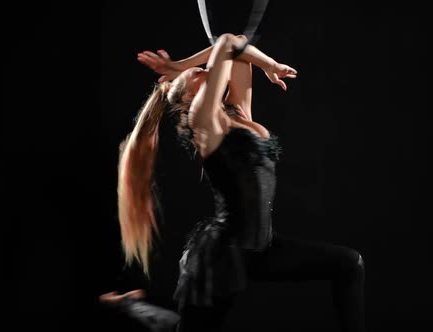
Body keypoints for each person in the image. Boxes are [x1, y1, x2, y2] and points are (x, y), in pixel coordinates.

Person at [128, 33, 368, 332]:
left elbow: (239, 43)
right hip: (224, 256)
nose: (206, 69)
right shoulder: (203, 121)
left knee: (349, 264)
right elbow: (228, 44)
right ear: (187, 96)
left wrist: (261, 65)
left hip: (264, 248)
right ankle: (130, 305)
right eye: (197, 73)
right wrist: (182, 66)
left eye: (204, 67)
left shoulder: (238, 111)